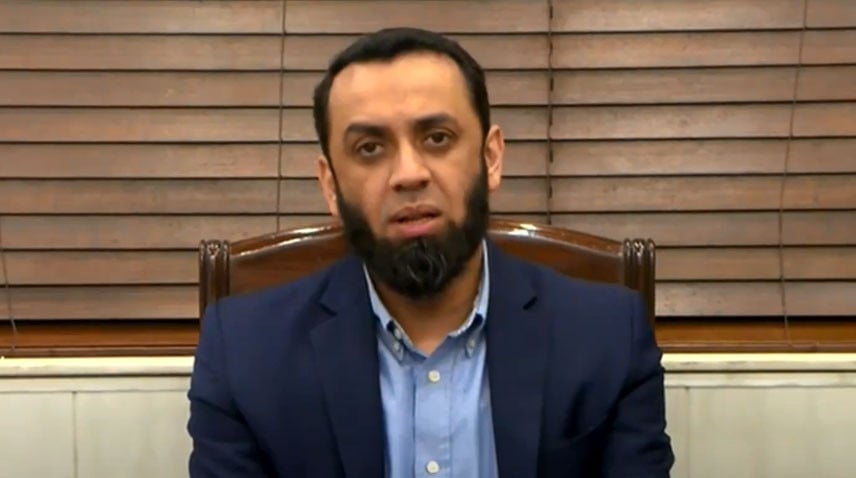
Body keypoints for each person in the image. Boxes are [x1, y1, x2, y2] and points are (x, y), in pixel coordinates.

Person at [187, 27, 674, 478]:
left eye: (437, 139)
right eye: (370, 148)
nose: (409, 174)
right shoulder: (244, 356)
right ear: (331, 185)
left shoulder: (609, 338)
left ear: (491, 158)